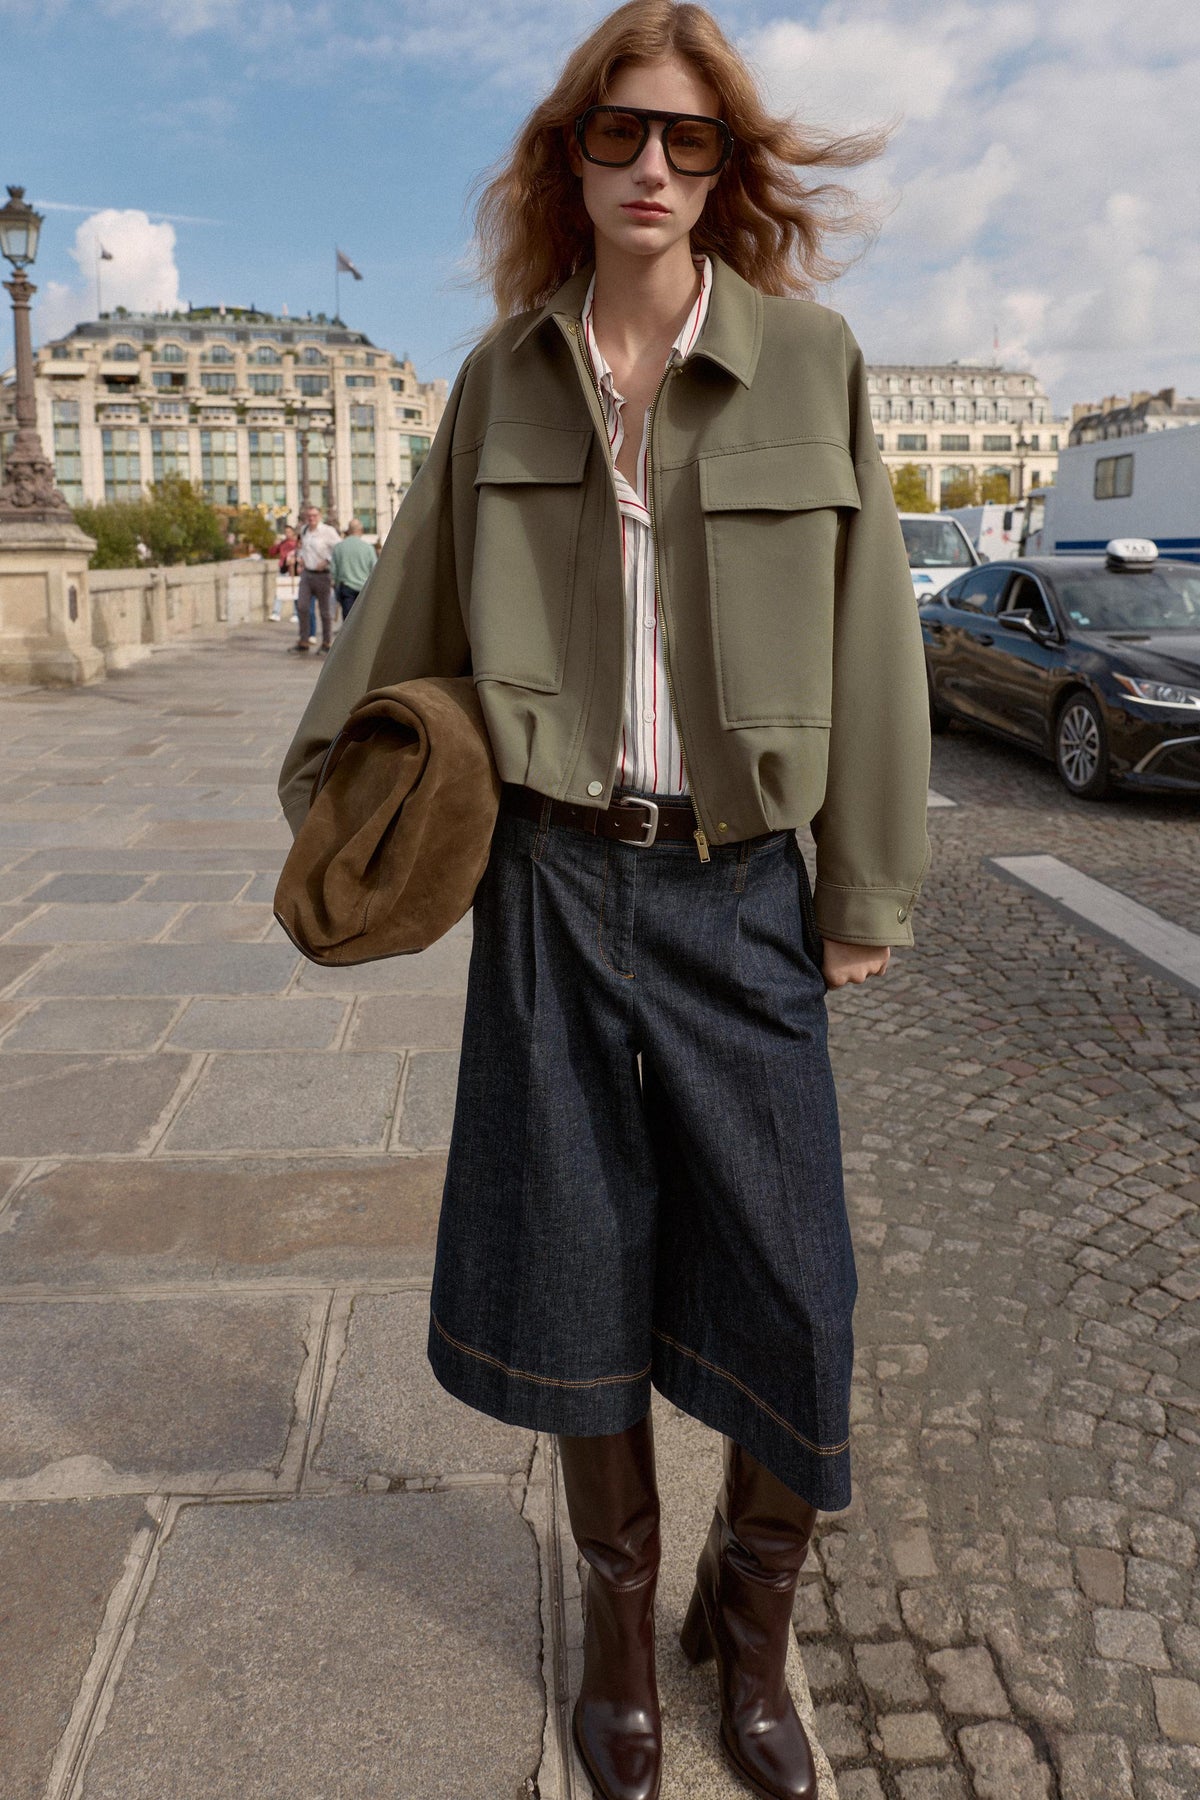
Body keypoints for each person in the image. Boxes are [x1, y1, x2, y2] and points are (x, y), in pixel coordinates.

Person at [278, 6, 930, 1797]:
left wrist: (863, 887)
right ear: (568, 157)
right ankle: (622, 1631)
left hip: (741, 893)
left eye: (690, 139)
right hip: (553, 882)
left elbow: (876, 632)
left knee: (801, 1288)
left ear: (728, 171)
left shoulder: (811, 362)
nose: (654, 164)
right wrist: (326, 805)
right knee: (573, 1278)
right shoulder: (504, 373)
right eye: (621, 132)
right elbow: (410, 601)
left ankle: (752, 1613)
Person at [288, 502, 340, 654]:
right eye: (309, 516)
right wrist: (300, 558)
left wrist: (327, 561)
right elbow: (302, 548)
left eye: (314, 515)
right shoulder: (304, 530)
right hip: (307, 574)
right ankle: (304, 640)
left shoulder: (328, 531)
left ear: (320, 516)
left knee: (325, 611)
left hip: (323, 575)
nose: (312, 518)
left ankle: (326, 642)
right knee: (302, 606)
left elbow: (339, 548)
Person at [330, 517, 377, 620]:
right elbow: (374, 570)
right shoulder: (368, 548)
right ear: (361, 530)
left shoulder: (339, 547)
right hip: (364, 588)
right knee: (363, 619)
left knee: (348, 620)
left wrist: (336, 587)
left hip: (346, 588)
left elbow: (333, 571)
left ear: (349, 530)